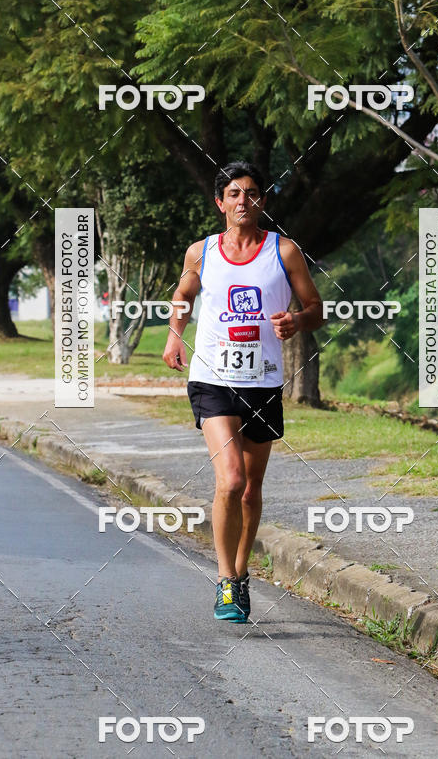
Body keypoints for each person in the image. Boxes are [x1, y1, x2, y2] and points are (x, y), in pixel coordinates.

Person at [163, 162, 324, 623]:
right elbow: (183, 296)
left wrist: (297, 320)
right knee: (230, 480)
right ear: (220, 202)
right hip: (212, 378)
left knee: (251, 491)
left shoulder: (284, 251)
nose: (242, 201)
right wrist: (176, 334)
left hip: (265, 379)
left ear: (262, 201)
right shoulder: (202, 252)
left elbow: (315, 308)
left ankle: (241, 572)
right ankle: (224, 580)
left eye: (251, 193)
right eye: (234, 194)